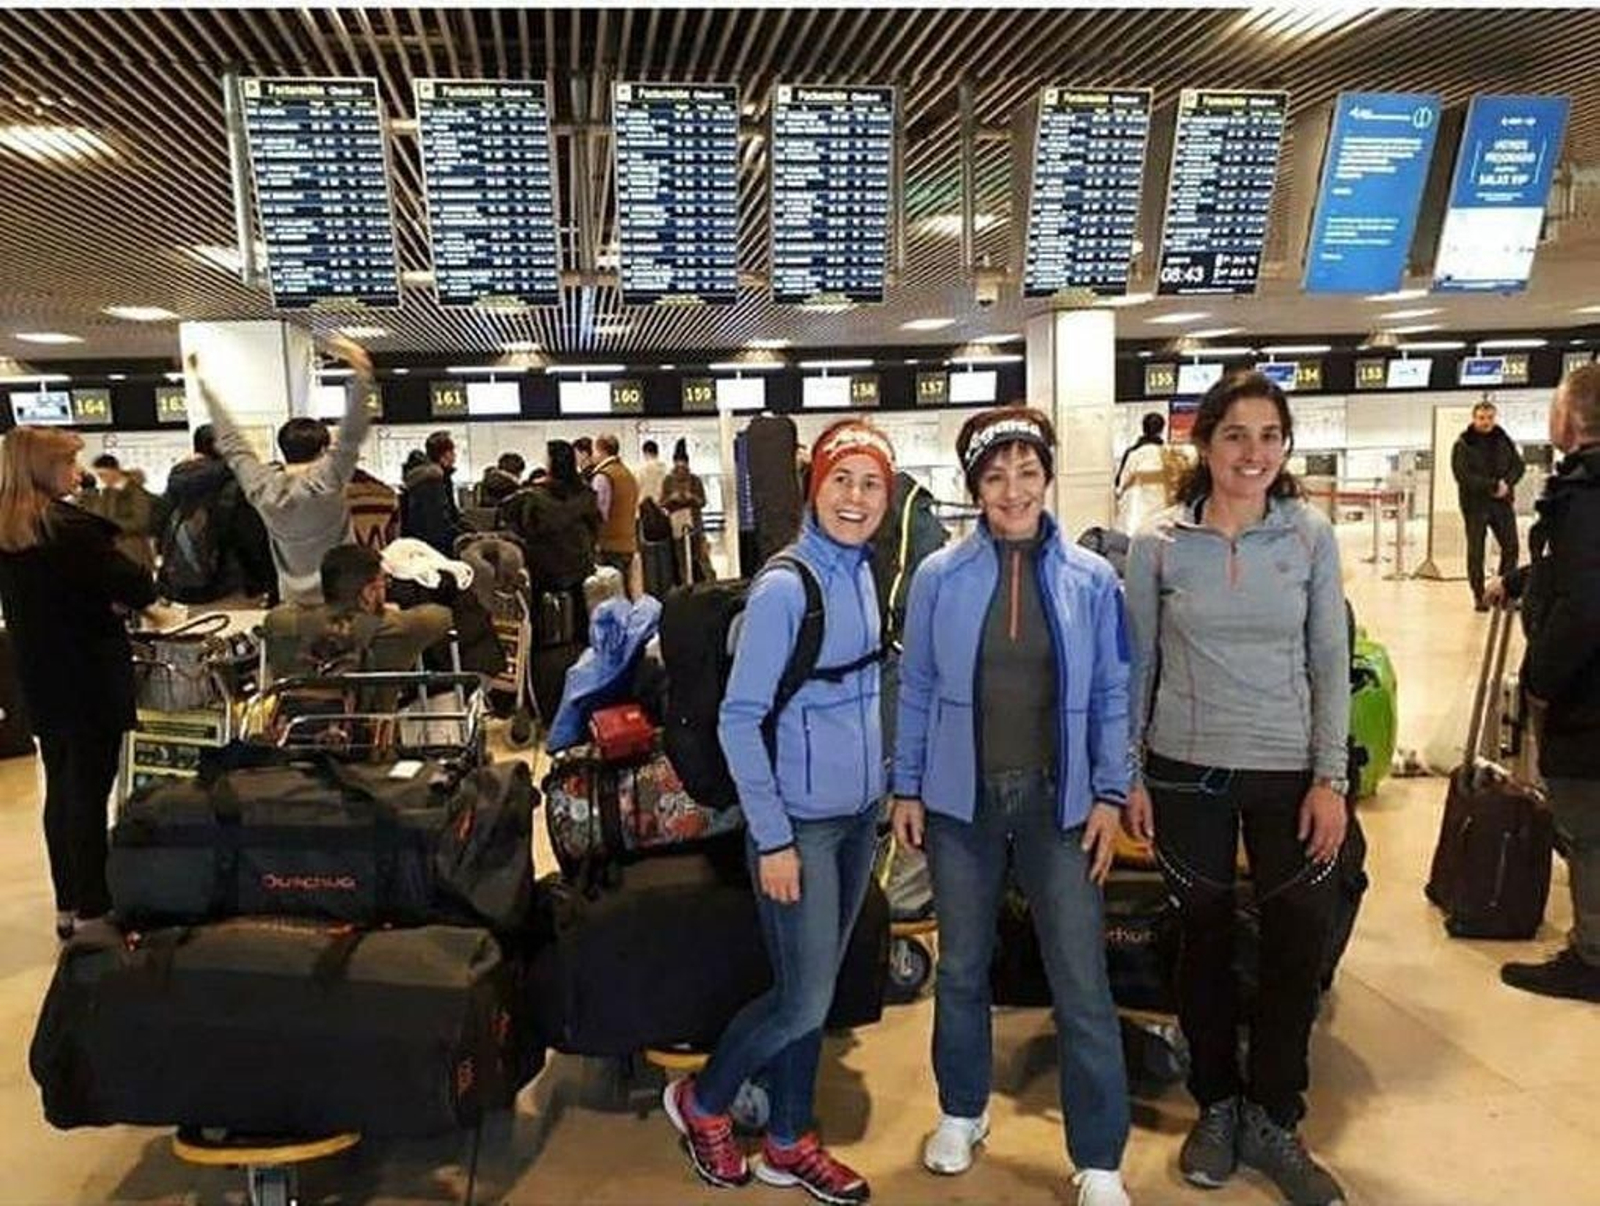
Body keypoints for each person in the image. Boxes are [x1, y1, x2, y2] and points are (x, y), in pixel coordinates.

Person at [890, 407, 1133, 1206]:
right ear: (976, 489)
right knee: (961, 969)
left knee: (1080, 977)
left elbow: (1109, 693)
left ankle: (1098, 1156)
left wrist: (1107, 790)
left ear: (1047, 477)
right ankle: (963, 1110)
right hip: (963, 805)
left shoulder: (1092, 580)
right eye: (995, 476)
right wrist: (908, 784)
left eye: (1027, 472)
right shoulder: (939, 577)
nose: (1013, 489)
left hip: (1059, 807)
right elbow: (918, 685)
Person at [1124, 370, 1349, 1206]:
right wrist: (1129, 774)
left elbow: (1330, 658)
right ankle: (1217, 1104)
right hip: (1186, 770)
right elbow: (1136, 667)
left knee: (1297, 942)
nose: (1253, 454)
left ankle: (1275, 1116)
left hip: (1289, 770)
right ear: (1205, 444)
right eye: (1235, 436)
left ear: (1285, 447)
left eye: (1269, 436)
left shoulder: (1308, 537)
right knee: (1204, 941)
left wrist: (1330, 776)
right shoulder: (1158, 543)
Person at [663, 419, 896, 1206]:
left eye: (871, 484)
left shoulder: (864, 572)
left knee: (816, 990)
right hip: (798, 825)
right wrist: (772, 839)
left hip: (859, 817)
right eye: (842, 481)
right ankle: (704, 1102)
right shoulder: (784, 588)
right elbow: (739, 718)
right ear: (814, 487)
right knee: (802, 999)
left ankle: (791, 1137)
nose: (856, 499)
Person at [0, 427, 157, 940]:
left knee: (62, 789)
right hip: (89, 673)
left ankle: (68, 902)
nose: (76, 472)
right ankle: (95, 906)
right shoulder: (69, 528)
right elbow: (135, 585)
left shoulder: (11, 528)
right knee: (90, 791)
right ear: (44, 468)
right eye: (67, 463)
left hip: (42, 675)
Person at [1493, 363, 1600, 1003]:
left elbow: (1587, 599)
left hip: (1588, 696)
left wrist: (1542, 678)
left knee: (1588, 828)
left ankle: (1593, 957)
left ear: (1574, 417)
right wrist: (1523, 581)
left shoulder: (1586, 495)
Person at [190, 337, 374, 605]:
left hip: (292, 603)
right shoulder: (327, 483)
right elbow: (351, 435)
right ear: (323, 450)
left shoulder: (263, 488)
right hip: (343, 600)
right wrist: (362, 373)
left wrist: (203, 386)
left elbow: (231, 443)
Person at [261, 544, 452, 682]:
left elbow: (291, 608)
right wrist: (385, 611)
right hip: (370, 734)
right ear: (368, 592)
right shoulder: (399, 629)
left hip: (294, 733)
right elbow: (443, 616)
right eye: (384, 584)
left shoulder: (279, 624)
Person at [159, 424, 276, 604]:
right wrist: (263, 583)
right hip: (231, 582)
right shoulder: (235, 483)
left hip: (181, 582)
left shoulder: (176, 480)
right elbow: (250, 537)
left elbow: (158, 526)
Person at [1451, 401, 1525, 611]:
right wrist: (1493, 485)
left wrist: (1507, 483)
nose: (1486, 422)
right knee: (1476, 551)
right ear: (1474, 418)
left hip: (1502, 503)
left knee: (1511, 547)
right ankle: (1479, 595)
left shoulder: (1504, 440)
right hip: (1475, 505)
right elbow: (1463, 476)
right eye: (1482, 418)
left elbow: (1518, 466)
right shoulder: (1463, 444)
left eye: (1490, 418)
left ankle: (1503, 591)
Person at [81, 453, 163, 573]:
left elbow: (141, 522)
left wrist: (110, 526)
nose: (102, 479)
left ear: (114, 471)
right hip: (113, 554)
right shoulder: (106, 493)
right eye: (99, 476)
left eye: (103, 474)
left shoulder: (136, 492)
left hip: (134, 553)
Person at [402, 431, 465, 556]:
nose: (455, 456)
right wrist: (462, 536)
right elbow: (437, 521)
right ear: (444, 455)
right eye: (452, 452)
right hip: (435, 548)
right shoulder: (433, 481)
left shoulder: (426, 479)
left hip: (423, 543)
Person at [591, 433, 640, 590]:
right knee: (624, 589)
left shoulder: (604, 476)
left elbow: (599, 513)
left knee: (609, 593)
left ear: (601, 450)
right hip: (628, 542)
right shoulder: (628, 475)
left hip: (608, 545)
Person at [660, 438, 712, 583]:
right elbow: (662, 503)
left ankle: (707, 583)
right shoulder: (668, 481)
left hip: (695, 524)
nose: (681, 466)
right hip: (677, 524)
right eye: (678, 463)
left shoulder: (695, 480)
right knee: (681, 558)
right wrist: (672, 499)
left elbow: (703, 501)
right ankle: (685, 586)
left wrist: (692, 498)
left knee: (701, 557)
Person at [1114, 412, 1170, 535]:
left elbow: (1120, 485)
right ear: (1162, 429)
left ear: (1143, 428)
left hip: (1134, 514)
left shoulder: (1132, 453)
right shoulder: (1169, 455)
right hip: (1162, 514)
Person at [346, 464, 401, 552]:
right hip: (378, 557)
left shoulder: (332, 496)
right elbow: (393, 536)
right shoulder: (387, 493)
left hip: (343, 561)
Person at [637, 439, 667, 505]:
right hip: (661, 508)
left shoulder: (641, 470)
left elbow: (636, 489)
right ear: (657, 452)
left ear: (645, 453)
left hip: (645, 508)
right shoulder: (666, 470)